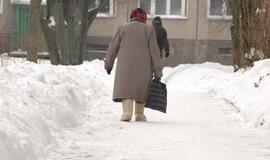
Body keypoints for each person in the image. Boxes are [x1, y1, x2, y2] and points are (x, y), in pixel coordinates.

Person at [104, 8, 163, 122]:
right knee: (141, 88)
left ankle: (126, 113)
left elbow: (112, 48)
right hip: (144, 67)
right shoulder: (149, 30)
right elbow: (155, 52)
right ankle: (139, 114)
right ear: (144, 17)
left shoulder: (122, 28)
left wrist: (108, 65)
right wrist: (158, 72)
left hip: (125, 66)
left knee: (127, 87)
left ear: (132, 16)